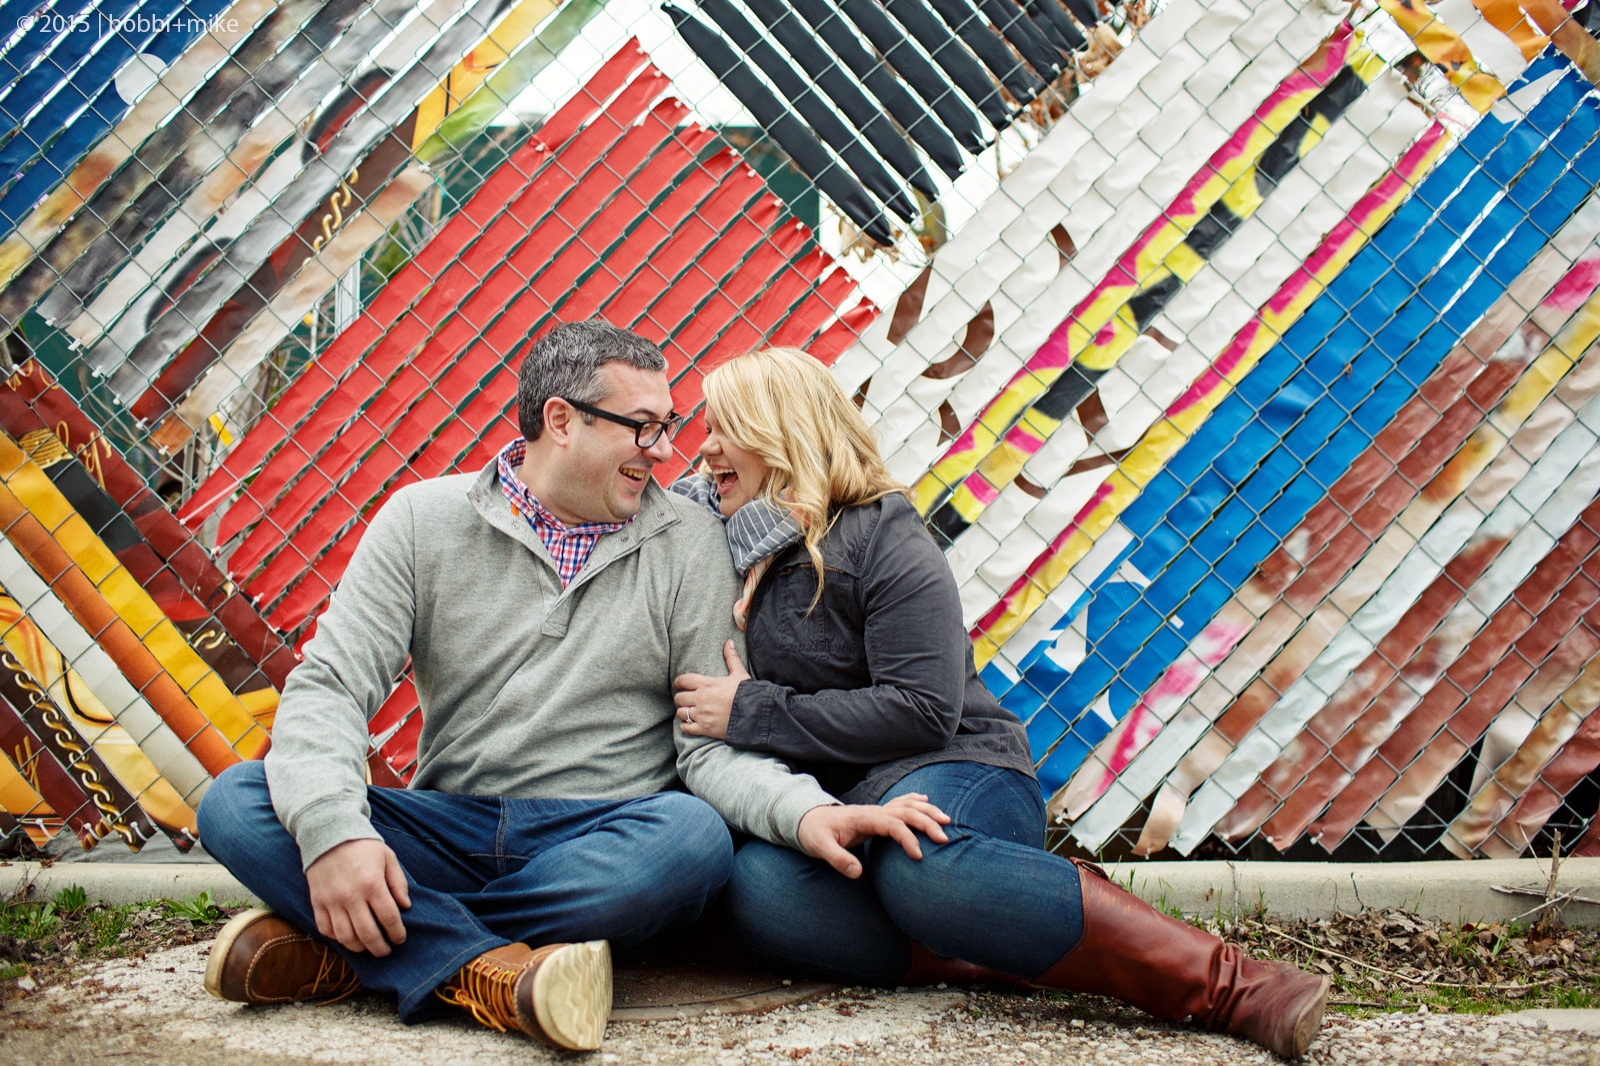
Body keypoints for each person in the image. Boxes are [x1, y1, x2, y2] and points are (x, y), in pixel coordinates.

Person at [195, 322, 946, 1051]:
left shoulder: (690, 542)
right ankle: (486, 971)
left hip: (603, 836)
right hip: (448, 824)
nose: (665, 450)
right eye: (643, 427)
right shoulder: (422, 521)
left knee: (692, 839)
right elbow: (331, 687)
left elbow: (706, 750)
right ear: (561, 420)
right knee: (237, 801)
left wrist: (807, 811)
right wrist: (338, 836)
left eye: (667, 426)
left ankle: (366, 952)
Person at [669, 347, 1332, 1060]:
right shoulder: (727, 544)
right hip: (846, 809)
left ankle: (1233, 986)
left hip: (957, 770)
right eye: (705, 430)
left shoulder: (880, 533)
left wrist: (755, 712)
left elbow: (922, 710)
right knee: (762, 888)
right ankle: (991, 947)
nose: (705, 449)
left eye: (725, 428)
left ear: (781, 432)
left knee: (922, 865)